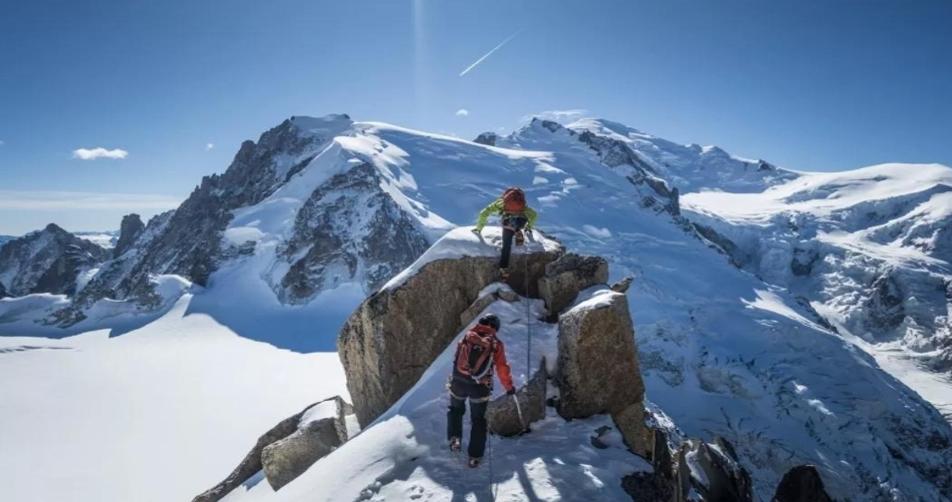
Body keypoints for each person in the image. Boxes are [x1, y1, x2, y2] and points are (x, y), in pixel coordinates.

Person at [447, 314, 515, 468]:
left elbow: (457, 358)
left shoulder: (468, 336)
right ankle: (474, 457)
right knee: (478, 420)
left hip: (458, 382)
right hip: (479, 386)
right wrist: (509, 387)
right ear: (495, 327)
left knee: (455, 409)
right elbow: (502, 368)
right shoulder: (495, 344)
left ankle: (454, 439)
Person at [473, 187, 538, 279]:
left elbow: (484, 213)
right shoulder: (523, 205)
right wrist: (529, 227)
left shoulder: (501, 203)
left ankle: (504, 268)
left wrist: (479, 228)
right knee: (520, 220)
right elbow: (534, 215)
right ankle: (517, 229)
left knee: (506, 246)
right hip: (521, 221)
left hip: (507, 224)